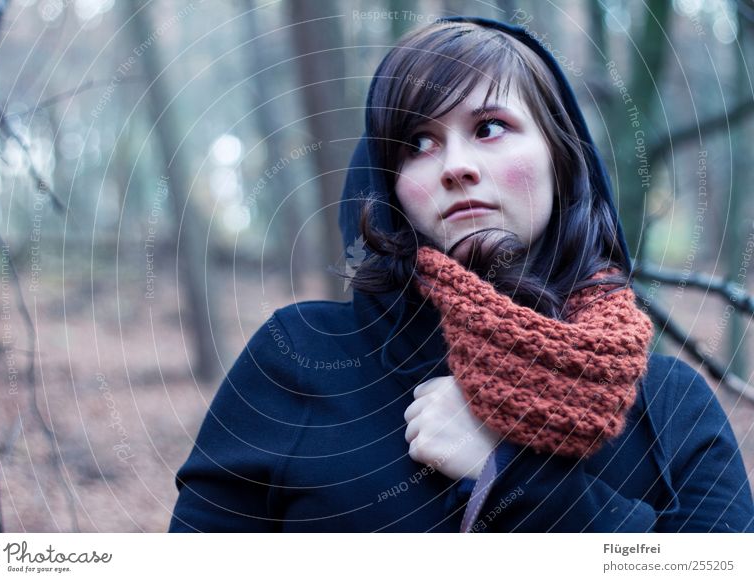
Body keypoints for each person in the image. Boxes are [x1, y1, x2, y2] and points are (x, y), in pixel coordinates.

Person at [168, 16, 754, 532]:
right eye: (418, 142)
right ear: (388, 184)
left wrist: (514, 479)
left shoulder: (671, 407)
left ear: (560, 156)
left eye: (490, 127)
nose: (456, 167)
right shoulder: (299, 358)